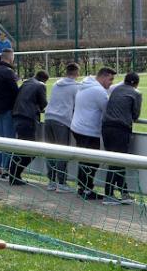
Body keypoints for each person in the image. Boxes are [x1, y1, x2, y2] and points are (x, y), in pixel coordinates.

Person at [70, 67, 116, 200]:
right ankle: (86, 190)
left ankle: (83, 188)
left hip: (78, 128)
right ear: (102, 77)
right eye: (110, 79)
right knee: (91, 162)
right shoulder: (98, 91)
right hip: (87, 130)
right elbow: (108, 110)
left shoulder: (85, 85)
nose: (111, 83)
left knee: (85, 160)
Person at [101, 72, 142, 205]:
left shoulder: (116, 89)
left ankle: (124, 193)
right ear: (136, 83)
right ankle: (108, 195)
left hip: (106, 127)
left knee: (118, 161)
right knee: (116, 162)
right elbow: (135, 115)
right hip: (120, 129)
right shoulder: (136, 93)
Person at [8, 70, 49, 185]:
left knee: (23, 148)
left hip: (17, 116)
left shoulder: (26, 83)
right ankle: (14, 176)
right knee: (30, 150)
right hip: (28, 119)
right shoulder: (40, 86)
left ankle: (14, 175)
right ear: (44, 80)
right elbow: (44, 104)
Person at [44, 62, 80, 193]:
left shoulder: (55, 84)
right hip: (62, 121)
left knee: (50, 151)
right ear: (76, 73)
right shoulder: (76, 88)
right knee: (61, 152)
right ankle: (61, 183)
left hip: (48, 119)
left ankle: (51, 182)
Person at [0, 48, 18, 180]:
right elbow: (15, 92)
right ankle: (7, 169)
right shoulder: (9, 72)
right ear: (10, 57)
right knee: (8, 141)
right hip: (7, 109)